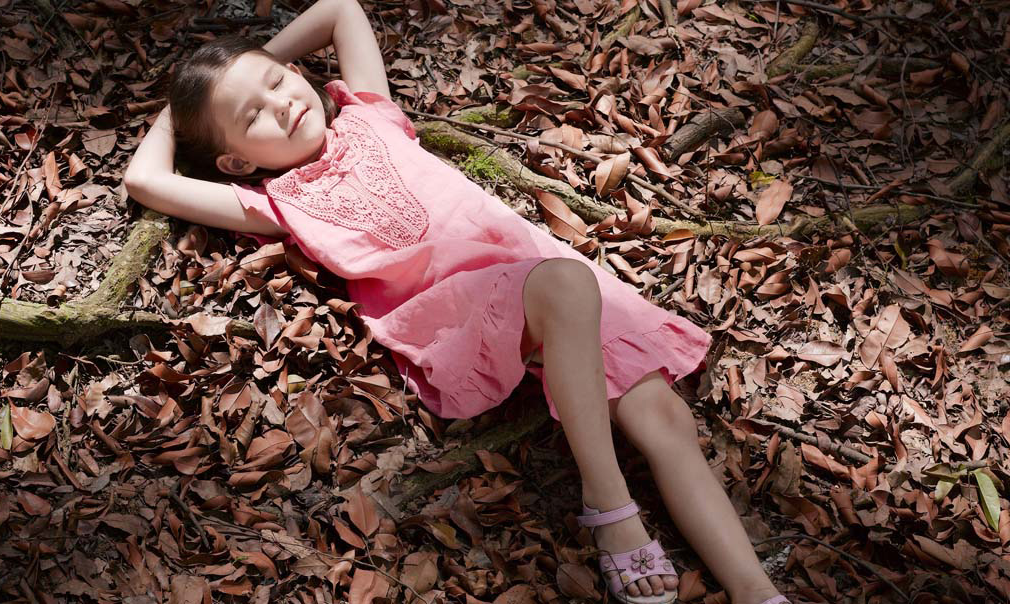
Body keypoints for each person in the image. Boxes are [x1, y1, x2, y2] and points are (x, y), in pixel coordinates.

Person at [124, 1, 791, 603]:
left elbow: (339, 8)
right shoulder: (275, 203)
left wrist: (251, 67)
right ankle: (609, 505)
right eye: (252, 117)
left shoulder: (371, 114)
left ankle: (758, 593)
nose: (281, 104)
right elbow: (145, 179)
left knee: (664, 418)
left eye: (277, 81)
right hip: (464, 314)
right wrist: (177, 113)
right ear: (237, 163)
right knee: (565, 283)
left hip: (547, 285)